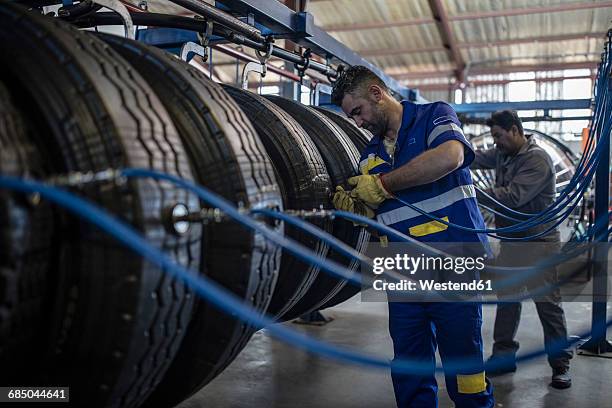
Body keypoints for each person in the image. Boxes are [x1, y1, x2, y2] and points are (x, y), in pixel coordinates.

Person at [331, 65, 494, 408]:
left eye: (357, 111)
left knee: (464, 362)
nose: (357, 123)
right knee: (409, 366)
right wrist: (358, 208)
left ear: (377, 93)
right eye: (351, 118)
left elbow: (451, 156)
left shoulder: (434, 115)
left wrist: (383, 185)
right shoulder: (370, 155)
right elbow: (377, 206)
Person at [471, 110, 572, 389]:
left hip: (539, 244)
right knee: (507, 301)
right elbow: (474, 158)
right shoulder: (504, 153)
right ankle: (503, 357)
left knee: (548, 305)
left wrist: (469, 191)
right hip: (513, 241)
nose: (496, 143)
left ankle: (560, 364)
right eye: (493, 138)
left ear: (515, 130)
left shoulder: (536, 159)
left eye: (499, 136)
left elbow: (513, 197)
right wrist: (451, 151)